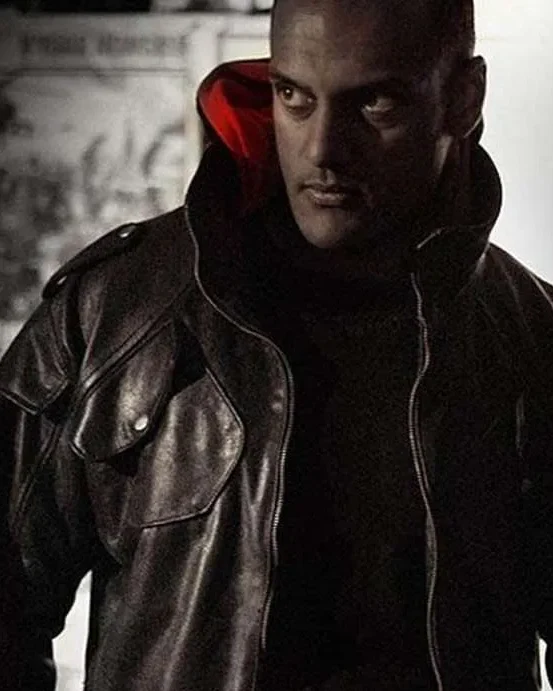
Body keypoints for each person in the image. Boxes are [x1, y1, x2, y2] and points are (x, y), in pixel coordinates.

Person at [1, 0, 553, 688]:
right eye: (293, 95)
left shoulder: (530, 343)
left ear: (463, 98)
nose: (321, 151)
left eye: (374, 103)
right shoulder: (113, 313)